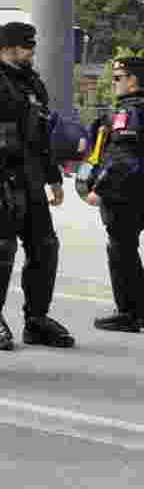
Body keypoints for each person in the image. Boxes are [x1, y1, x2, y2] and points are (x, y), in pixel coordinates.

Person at [0, 21, 74, 351]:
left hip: (32, 182)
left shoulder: (32, 85)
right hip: (1, 181)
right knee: (2, 249)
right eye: (27, 46)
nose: (32, 52)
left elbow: (41, 139)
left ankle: (36, 319)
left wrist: (53, 177)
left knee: (45, 247)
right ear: (10, 48)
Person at [81, 57, 144, 333]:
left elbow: (122, 158)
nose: (114, 83)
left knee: (121, 251)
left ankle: (129, 312)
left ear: (133, 80)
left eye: (118, 78)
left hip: (126, 193)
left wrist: (99, 189)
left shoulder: (128, 112)